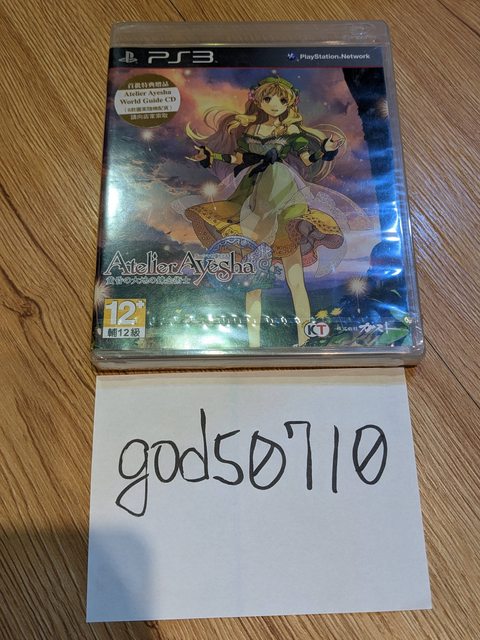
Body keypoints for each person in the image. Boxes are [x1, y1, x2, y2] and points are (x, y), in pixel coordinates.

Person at [185, 75, 347, 347]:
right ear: (258, 101)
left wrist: (326, 150)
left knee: (295, 277)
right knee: (253, 281)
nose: (275, 104)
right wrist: (210, 157)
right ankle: (253, 345)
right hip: (255, 197)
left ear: (289, 104)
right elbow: (238, 158)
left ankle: (306, 340)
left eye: (281, 100)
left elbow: (307, 158)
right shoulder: (251, 131)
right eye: (268, 98)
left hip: (285, 195)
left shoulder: (292, 132)